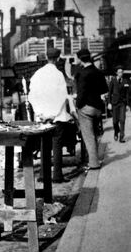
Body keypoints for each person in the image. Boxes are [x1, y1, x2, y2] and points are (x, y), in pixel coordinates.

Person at [28, 48, 72, 183]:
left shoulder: (37, 74)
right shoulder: (58, 75)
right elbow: (62, 96)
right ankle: (57, 175)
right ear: (58, 59)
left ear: (46, 58)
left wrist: (40, 113)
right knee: (57, 145)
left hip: (42, 117)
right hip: (57, 116)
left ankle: (43, 174)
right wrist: (53, 115)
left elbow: (32, 96)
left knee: (44, 145)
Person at [75, 49, 108, 170]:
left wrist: (77, 105)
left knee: (88, 137)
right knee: (94, 134)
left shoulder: (82, 74)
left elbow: (81, 93)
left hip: (86, 109)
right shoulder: (98, 72)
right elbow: (104, 89)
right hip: (98, 108)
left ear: (80, 59)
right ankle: (95, 159)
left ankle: (93, 163)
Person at [107, 65, 129, 142]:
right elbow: (109, 93)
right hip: (114, 103)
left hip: (122, 103)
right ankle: (116, 131)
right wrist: (109, 103)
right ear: (116, 73)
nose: (121, 73)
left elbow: (127, 94)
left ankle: (122, 136)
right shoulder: (113, 81)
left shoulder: (125, 81)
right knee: (115, 121)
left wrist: (128, 104)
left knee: (122, 120)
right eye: (119, 72)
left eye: (121, 72)